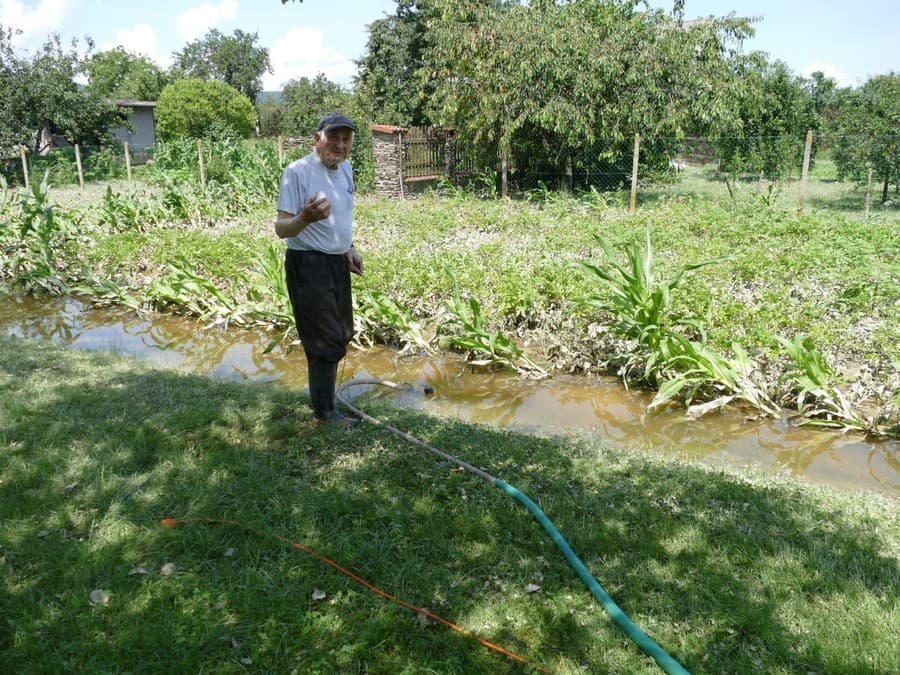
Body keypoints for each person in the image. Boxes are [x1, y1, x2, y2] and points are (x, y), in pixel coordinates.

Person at [275, 112, 364, 426]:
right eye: (333, 138)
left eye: (346, 139)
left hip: (337, 262)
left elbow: (340, 214)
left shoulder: (345, 169)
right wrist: (304, 219)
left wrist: (348, 248)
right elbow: (282, 229)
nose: (340, 145)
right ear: (318, 139)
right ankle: (325, 414)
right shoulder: (296, 172)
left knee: (342, 331)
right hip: (308, 264)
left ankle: (325, 402)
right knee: (323, 340)